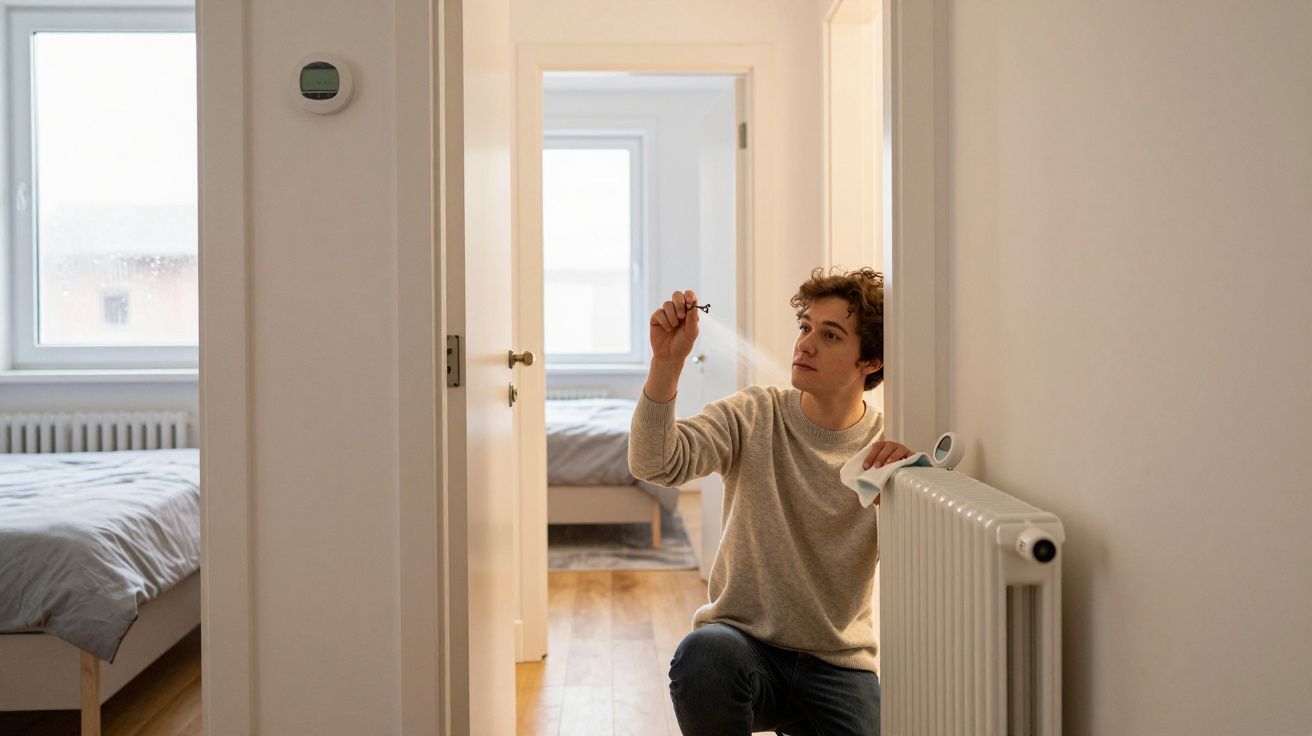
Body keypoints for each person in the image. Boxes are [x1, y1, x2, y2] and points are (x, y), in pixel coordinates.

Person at [629, 267, 913, 736]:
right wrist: (666, 364)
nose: (805, 344)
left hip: (839, 665)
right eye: (806, 328)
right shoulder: (754, 414)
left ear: (871, 361)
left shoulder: (886, 452)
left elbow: (919, 566)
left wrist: (904, 499)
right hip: (744, 648)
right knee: (703, 656)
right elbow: (655, 465)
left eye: (831, 335)